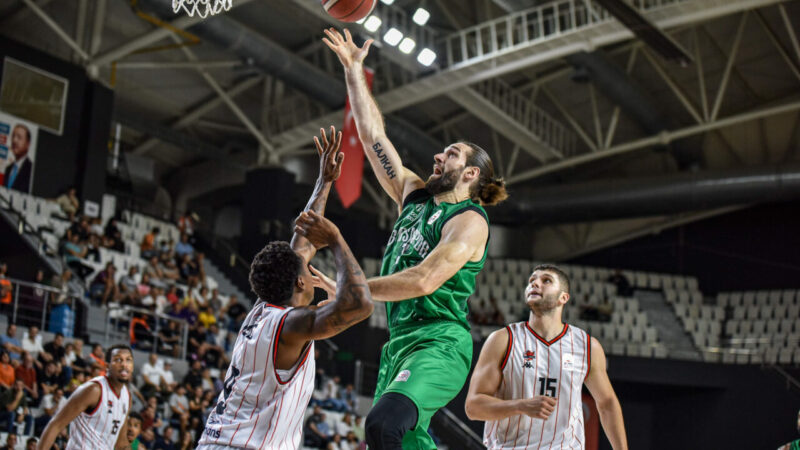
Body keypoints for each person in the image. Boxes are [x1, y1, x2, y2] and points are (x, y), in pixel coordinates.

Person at [323, 28, 509, 449]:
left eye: (452, 155)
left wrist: (348, 287)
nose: (438, 157)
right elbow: (373, 139)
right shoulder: (414, 196)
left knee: (382, 425)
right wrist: (354, 71)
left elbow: (425, 280)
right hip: (399, 344)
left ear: (471, 174)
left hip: (440, 342)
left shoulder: (470, 221)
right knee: (404, 441)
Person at [196, 127, 373, 449]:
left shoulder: (262, 312)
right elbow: (362, 303)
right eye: (306, 265)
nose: (309, 259)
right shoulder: (289, 325)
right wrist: (335, 239)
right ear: (300, 282)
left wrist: (325, 181)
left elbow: (302, 242)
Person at [465, 265, 628, 449]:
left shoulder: (587, 346)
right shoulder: (503, 340)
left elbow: (607, 403)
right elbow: (473, 407)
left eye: (546, 280)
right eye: (532, 280)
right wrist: (520, 406)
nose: (535, 283)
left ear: (563, 298)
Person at [37, 344, 134, 450]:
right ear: (107, 366)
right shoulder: (93, 390)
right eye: (118, 360)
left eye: (128, 360)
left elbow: (121, 443)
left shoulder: (127, 396)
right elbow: (55, 425)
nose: (124, 365)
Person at [4, 124, 33, 192]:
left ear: (27, 144)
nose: (14, 140)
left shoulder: (31, 170)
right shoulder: (8, 169)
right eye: (13, 136)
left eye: (19, 137)